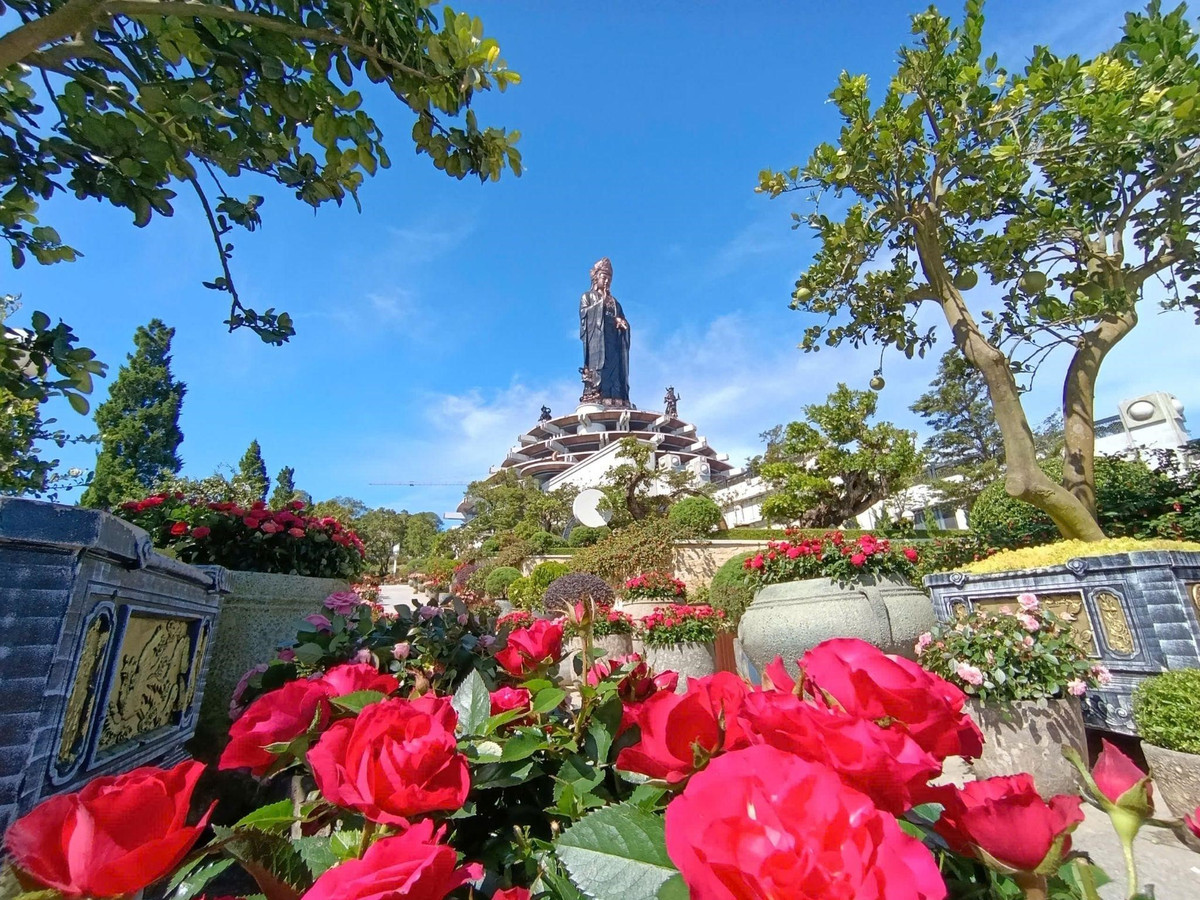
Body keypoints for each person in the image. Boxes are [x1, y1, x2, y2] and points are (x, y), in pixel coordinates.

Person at [579, 257, 630, 406]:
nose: (607, 281)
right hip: (597, 341)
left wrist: (621, 322)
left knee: (615, 369)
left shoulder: (615, 303)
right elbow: (584, 314)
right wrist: (601, 303)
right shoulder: (587, 297)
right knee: (599, 369)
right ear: (596, 278)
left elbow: (620, 317)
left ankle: (617, 395)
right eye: (604, 277)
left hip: (613, 341)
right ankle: (596, 392)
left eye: (609, 278)